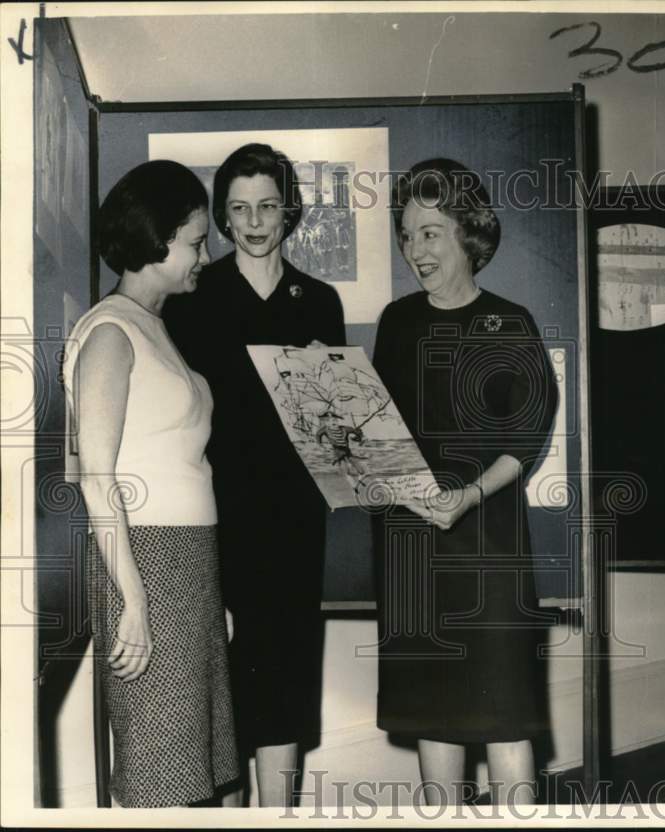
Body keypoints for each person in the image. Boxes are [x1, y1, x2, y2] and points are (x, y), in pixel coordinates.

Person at [163, 143, 345, 807]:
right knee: (227, 681)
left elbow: (335, 429)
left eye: (267, 205)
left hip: (297, 518)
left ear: (288, 210)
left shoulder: (318, 300)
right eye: (239, 209)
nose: (255, 220)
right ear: (222, 218)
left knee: (286, 677)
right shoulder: (193, 296)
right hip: (217, 513)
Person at [372, 159, 558, 806]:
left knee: (506, 718)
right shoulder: (397, 324)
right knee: (432, 719)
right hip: (414, 552)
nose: (414, 250)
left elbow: (526, 434)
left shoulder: (511, 322)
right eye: (406, 234)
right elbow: (377, 430)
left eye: (429, 232)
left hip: (488, 549)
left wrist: (470, 495)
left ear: (467, 234)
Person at [64, 160, 238, 807]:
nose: (205, 253)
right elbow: (96, 478)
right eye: (195, 241)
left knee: (195, 773)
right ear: (154, 239)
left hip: (187, 564)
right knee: (158, 777)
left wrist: (203, 590)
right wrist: (134, 600)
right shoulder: (110, 330)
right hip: (144, 562)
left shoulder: (156, 326)